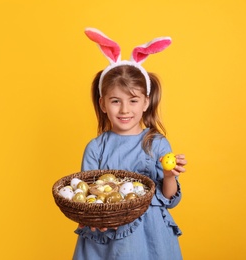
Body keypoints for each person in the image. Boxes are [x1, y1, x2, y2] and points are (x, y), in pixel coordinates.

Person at [72, 28, 187, 260]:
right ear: (103, 104)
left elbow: (169, 199)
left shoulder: (156, 143)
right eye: (116, 101)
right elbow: (84, 197)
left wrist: (168, 175)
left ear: (145, 102)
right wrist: (95, 218)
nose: (125, 110)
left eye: (133, 100)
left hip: (150, 236)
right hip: (106, 239)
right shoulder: (96, 148)